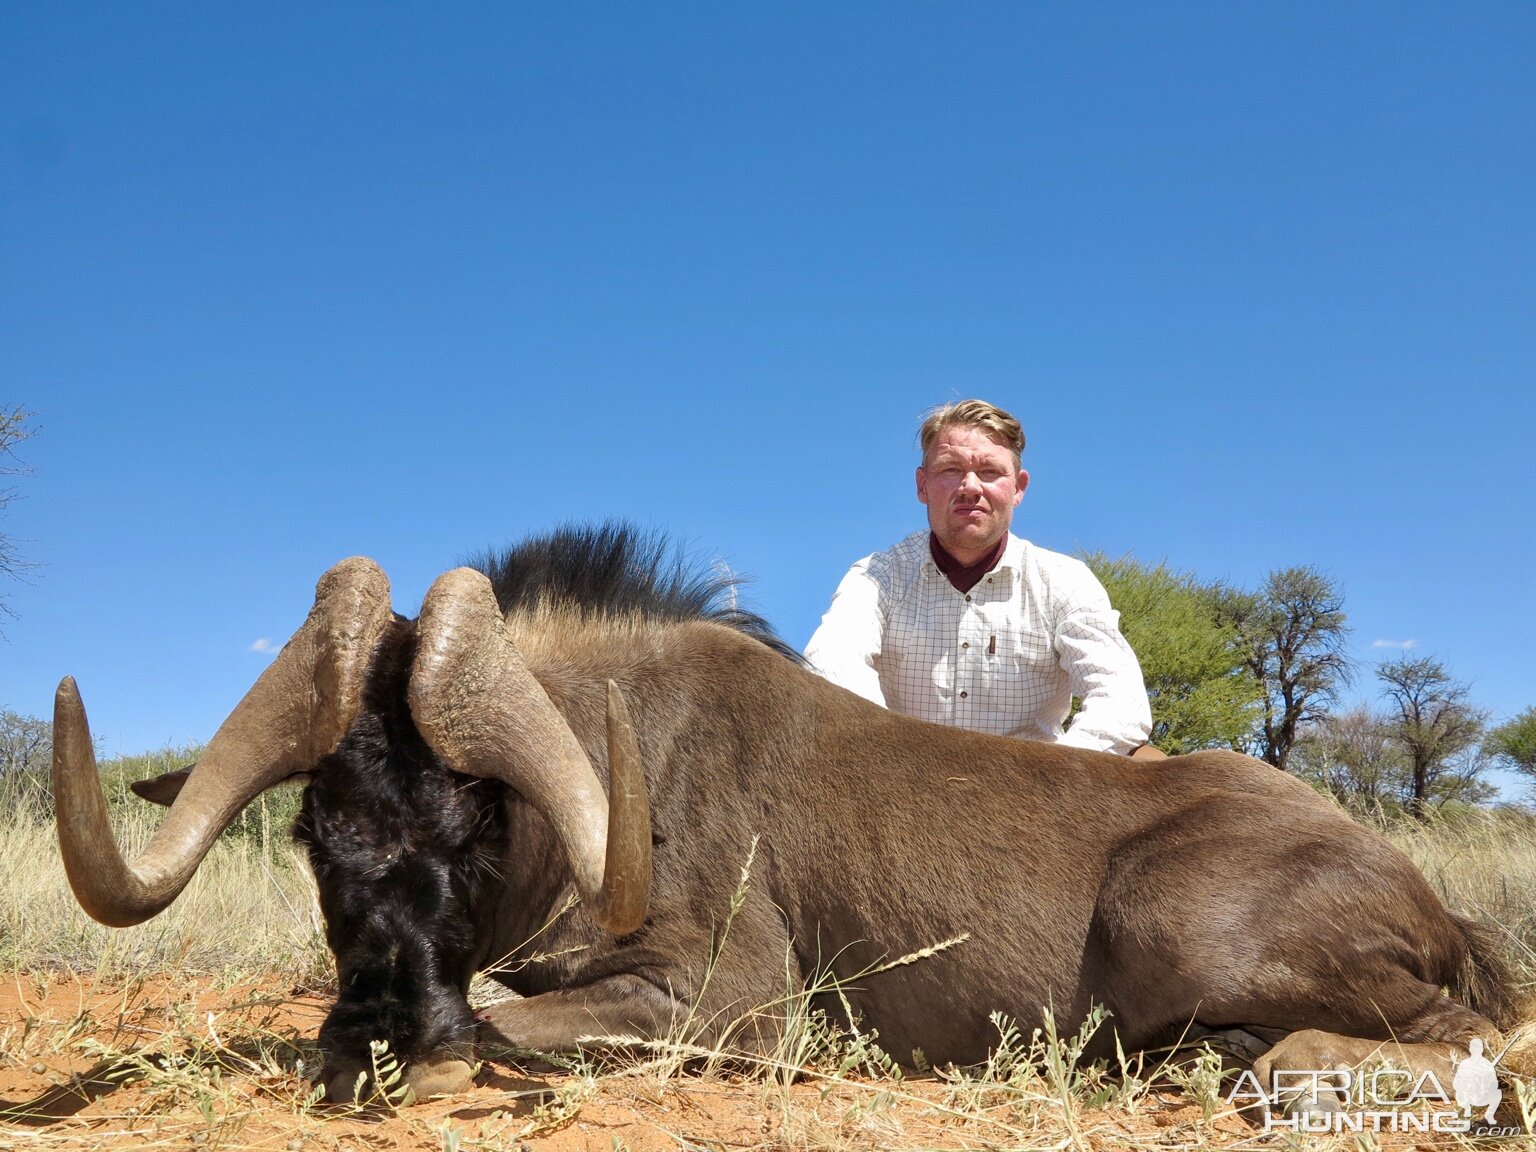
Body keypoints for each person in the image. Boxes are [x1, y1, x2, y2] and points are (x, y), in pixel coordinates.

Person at [804, 399, 1158, 757]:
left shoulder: (1064, 581)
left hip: (1035, 791)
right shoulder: (876, 576)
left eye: (990, 472)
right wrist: (892, 760)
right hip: (904, 783)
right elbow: (830, 663)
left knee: (1158, 767)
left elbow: (1120, 699)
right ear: (922, 485)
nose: (970, 486)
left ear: (1018, 488)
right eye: (950, 470)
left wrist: (1056, 776)